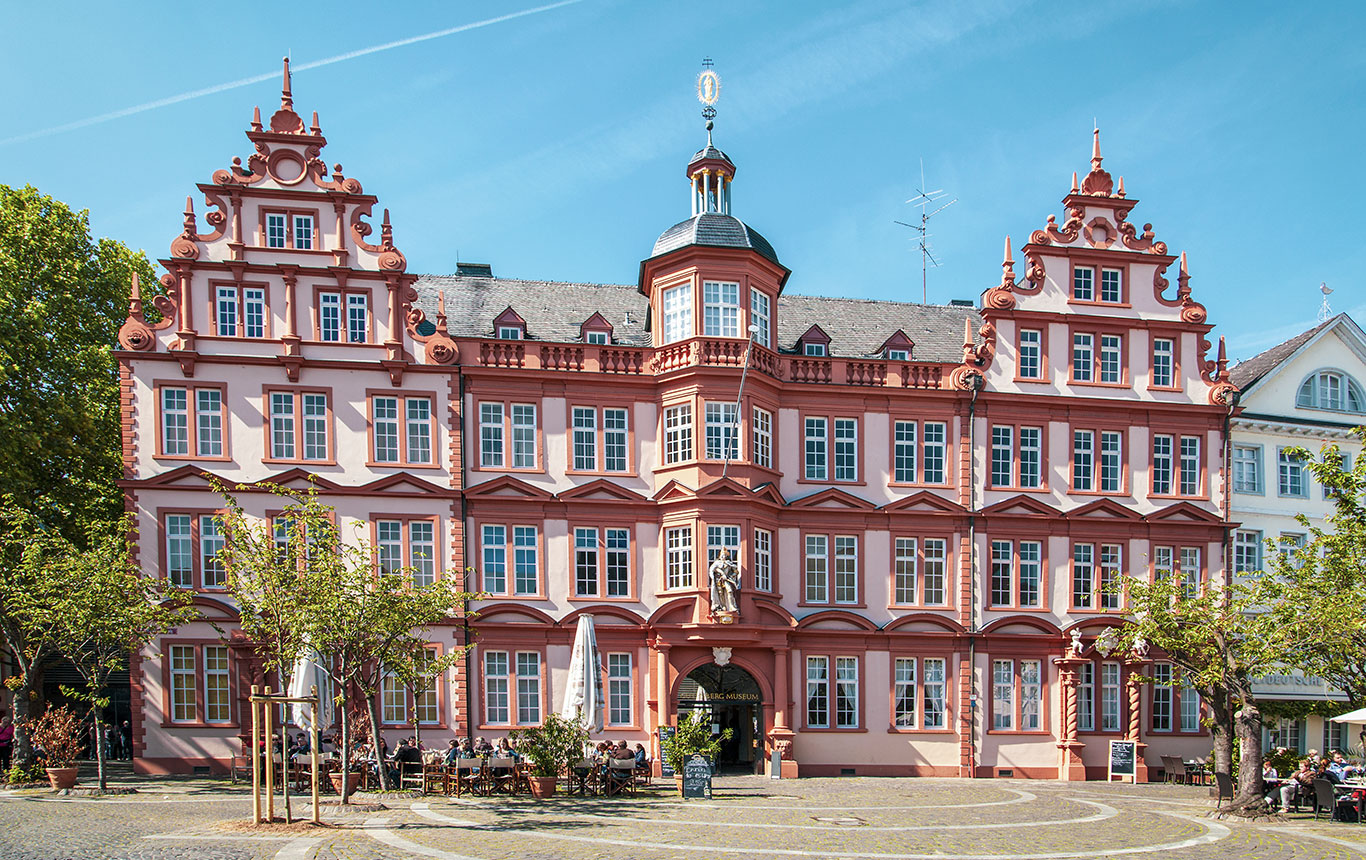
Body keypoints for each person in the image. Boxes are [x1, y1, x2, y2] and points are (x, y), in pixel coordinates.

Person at [709, 548, 740, 616]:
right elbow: (712, 570)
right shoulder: (717, 563)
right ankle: (723, 605)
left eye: (724, 555)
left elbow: (736, 572)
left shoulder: (729, 563)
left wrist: (731, 576)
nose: (723, 557)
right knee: (720, 593)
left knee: (729, 591)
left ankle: (731, 606)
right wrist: (720, 573)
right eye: (722, 555)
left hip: (726, 580)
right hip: (718, 580)